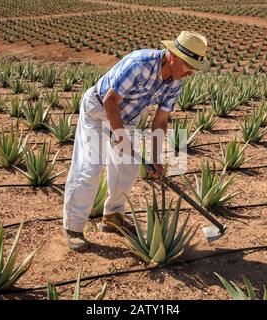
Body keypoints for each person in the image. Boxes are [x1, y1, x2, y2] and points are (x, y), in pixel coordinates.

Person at [63, 31, 209, 251]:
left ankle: (112, 217)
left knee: (127, 169)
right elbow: (110, 101)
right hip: (98, 112)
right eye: (189, 66)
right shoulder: (139, 63)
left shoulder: (175, 83)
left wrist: (156, 159)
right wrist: (120, 137)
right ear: (174, 57)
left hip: (128, 118)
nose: (190, 73)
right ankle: (73, 228)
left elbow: (160, 122)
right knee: (89, 168)